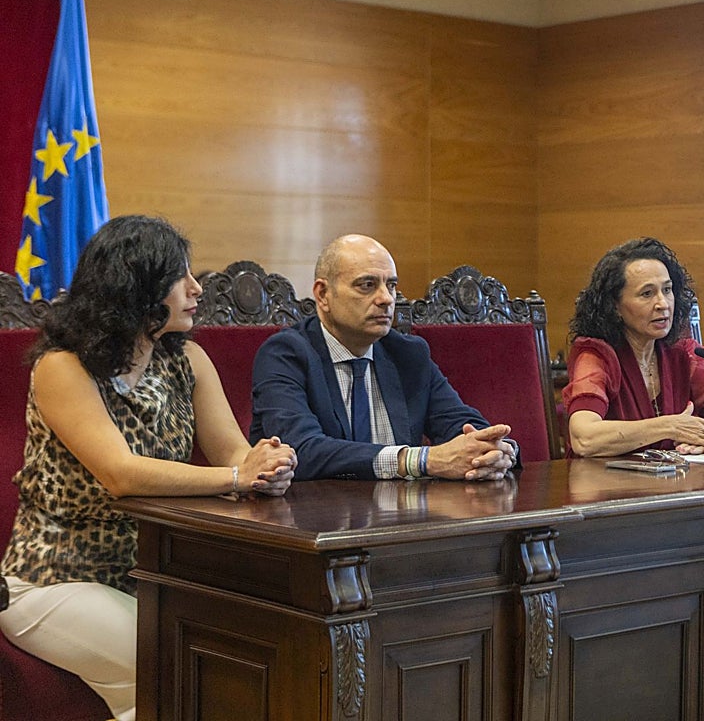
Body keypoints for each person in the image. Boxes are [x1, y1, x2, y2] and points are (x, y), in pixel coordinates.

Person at [0, 215, 297, 721]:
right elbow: (121, 474)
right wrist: (235, 478)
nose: (197, 288)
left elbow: (232, 452)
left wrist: (267, 464)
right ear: (134, 286)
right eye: (179, 277)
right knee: (179, 667)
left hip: (156, 574)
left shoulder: (188, 360)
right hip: (54, 578)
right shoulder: (62, 366)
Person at [250, 234, 517, 481]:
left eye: (391, 285)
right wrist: (418, 460)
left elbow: (462, 424)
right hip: (313, 518)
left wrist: (493, 451)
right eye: (367, 285)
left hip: (401, 516)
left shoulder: (408, 353)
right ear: (323, 295)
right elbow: (301, 451)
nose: (386, 299)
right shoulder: (285, 354)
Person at [563, 237, 704, 456]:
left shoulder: (682, 354)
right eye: (647, 294)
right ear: (614, 306)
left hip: (675, 485)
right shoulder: (597, 356)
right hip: (609, 485)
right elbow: (584, 438)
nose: (663, 304)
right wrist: (669, 427)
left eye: (667, 290)